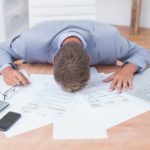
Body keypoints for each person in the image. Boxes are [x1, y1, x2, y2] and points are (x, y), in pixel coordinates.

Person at [0, 20, 150, 92]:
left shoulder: (111, 40)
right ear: (53, 59)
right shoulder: (30, 42)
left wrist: (128, 69)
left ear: (89, 59)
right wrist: (6, 69)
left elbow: (142, 52)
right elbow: (2, 49)